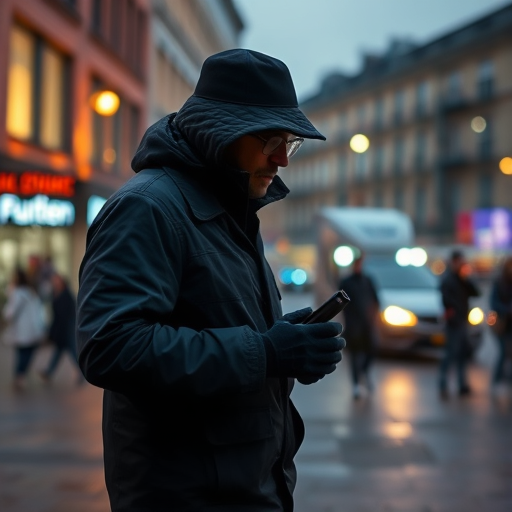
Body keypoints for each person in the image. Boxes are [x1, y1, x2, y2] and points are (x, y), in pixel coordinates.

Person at [77, 49, 346, 512]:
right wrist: (264, 352)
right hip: (185, 496)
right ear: (223, 132)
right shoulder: (149, 207)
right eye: (270, 140)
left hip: (246, 488)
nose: (282, 158)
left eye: (290, 142)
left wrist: (284, 345)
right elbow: (110, 345)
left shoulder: (235, 210)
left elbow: (215, 325)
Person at [438, 250, 480, 398]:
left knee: (463, 353)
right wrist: (454, 314)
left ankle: (462, 384)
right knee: (451, 353)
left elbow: (476, 292)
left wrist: (467, 278)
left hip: (463, 321)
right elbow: (446, 300)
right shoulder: (448, 279)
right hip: (454, 323)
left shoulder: (463, 280)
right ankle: (443, 383)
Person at [339, 254, 380, 399]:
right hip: (353, 325)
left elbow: (376, 300)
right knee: (355, 356)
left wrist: (374, 317)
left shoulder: (368, 280)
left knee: (372, 350)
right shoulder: (346, 282)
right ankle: (356, 384)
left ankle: (364, 372)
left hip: (367, 324)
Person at [1, 267, 46, 391]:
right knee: (28, 352)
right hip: (32, 329)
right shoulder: (31, 292)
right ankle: (20, 375)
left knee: (21, 353)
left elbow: (9, 313)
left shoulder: (16, 293)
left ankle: (19, 376)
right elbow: (38, 311)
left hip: (21, 330)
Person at [39, 273, 83, 385]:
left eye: (56, 281)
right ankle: (49, 372)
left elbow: (66, 315)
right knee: (59, 352)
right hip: (62, 329)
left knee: (72, 352)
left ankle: (82, 372)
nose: (54, 283)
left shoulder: (66, 296)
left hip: (67, 329)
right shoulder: (56, 294)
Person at [489, 256, 512, 390]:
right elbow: (493, 303)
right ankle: (497, 380)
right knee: (504, 352)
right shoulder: (500, 283)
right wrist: (507, 310)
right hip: (502, 324)